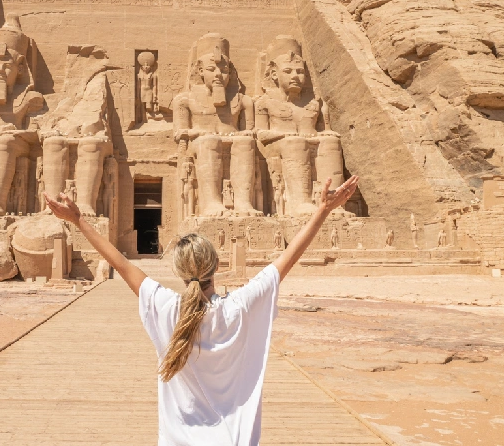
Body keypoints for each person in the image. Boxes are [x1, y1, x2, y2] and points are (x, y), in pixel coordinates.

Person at [44, 174, 359, 445]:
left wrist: (78, 220)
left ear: (179, 272)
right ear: (217, 266)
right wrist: (322, 210)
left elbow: (121, 263)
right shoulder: (240, 307)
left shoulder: (166, 308)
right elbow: (287, 259)